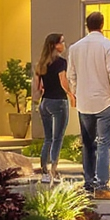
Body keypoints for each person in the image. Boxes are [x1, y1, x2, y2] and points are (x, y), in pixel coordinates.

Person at [66, 11, 110, 200]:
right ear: (102, 25)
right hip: (105, 99)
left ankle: (88, 183)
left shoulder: (75, 48)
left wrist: (76, 92)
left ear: (87, 25)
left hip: (84, 101)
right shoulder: (109, 47)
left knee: (88, 144)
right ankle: (102, 186)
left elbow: (71, 75)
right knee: (104, 144)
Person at [33, 33, 74, 184]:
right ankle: (53, 171)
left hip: (45, 103)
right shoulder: (60, 62)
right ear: (54, 45)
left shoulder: (41, 63)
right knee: (58, 138)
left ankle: (44, 171)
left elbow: (38, 85)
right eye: (62, 42)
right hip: (58, 101)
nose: (64, 45)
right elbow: (63, 81)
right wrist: (71, 94)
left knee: (48, 138)